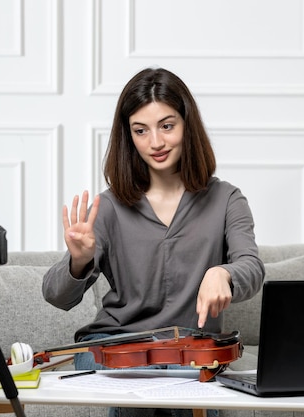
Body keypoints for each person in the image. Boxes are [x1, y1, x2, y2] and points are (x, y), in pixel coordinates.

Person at [43, 67, 265, 417]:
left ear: (186, 125)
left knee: (185, 382)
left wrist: (223, 272)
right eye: (140, 131)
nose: (155, 143)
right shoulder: (110, 206)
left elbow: (251, 267)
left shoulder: (226, 199)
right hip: (116, 348)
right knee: (139, 388)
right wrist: (79, 261)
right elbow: (57, 295)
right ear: (128, 136)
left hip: (190, 350)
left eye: (167, 126)